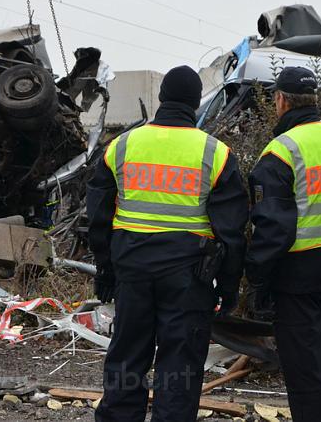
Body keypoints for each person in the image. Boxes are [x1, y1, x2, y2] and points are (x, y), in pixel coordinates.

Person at [86, 65, 249, 422]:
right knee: (180, 364)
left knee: (127, 356)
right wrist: (230, 285)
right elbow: (232, 231)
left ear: (162, 99)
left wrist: (105, 268)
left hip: (133, 269)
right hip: (189, 278)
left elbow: (97, 214)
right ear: (194, 103)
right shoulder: (215, 154)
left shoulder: (122, 146)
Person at [244, 66, 321, 422]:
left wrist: (257, 281)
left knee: (306, 376)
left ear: (280, 100)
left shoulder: (281, 152)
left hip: (299, 277)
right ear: (315, 99)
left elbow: (274, 229)